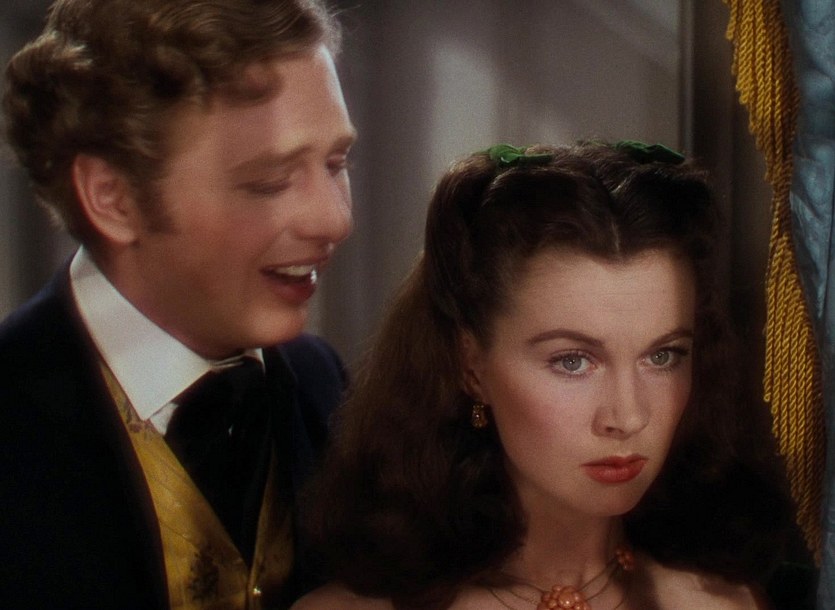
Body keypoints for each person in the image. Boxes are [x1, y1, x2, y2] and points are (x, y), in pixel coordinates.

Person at [291, 142, 797, 610]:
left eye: (662, 356)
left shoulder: (725, 602)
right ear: (471, 365)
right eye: (573, 361)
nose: (627, 416)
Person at [0, 0, 356, 608]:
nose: (335, 220)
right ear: (113, 198)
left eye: (335, 163)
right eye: (269, 182)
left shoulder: (322, 384)